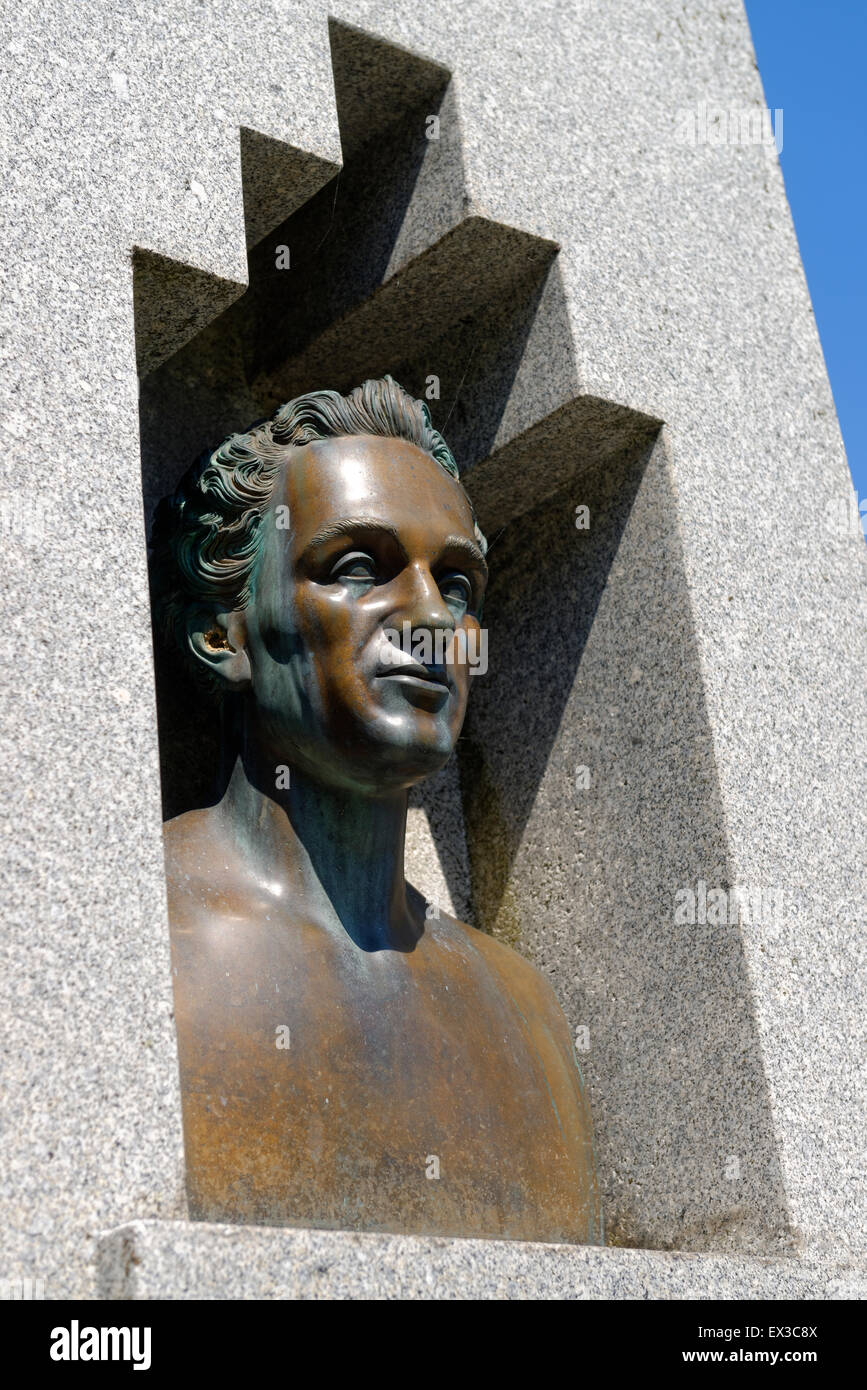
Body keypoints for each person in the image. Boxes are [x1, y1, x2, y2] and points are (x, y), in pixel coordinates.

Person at [152, 375, 601, 1243]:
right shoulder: (122, 939)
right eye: (357, 566)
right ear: (223, 631)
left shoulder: (526, 1010)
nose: (432, 619)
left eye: (458, 584)